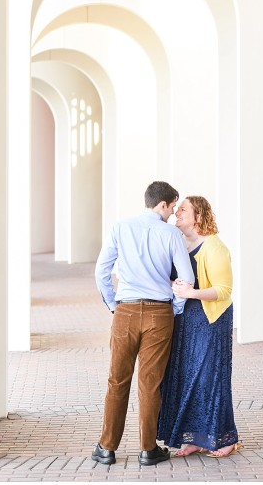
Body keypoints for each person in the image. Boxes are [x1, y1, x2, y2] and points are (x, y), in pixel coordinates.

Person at [92, 181, 195, 466]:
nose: (174, 211)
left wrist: (114, 305)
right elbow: (186, 278)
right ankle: (148, 450)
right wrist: (173, 309)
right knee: (150, 384)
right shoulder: (171, 234)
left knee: (117, 380)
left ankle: (106, 448)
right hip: (158, 314)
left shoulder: (121, 227)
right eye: (173, 205)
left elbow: (101, 272)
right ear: (162, 204)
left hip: (125, 311)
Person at [157, 196, 241, 458]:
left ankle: (226, 439)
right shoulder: (181, 242)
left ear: (198, 217)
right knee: (188, 379)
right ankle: (197, 438)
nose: (177, 212)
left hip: (211, 320)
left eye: (183, 209)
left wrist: (190, 293)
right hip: (187, 321)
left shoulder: (214, 247)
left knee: (210, 379)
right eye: (177, 208)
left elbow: (224, 290)